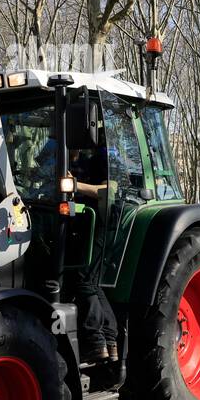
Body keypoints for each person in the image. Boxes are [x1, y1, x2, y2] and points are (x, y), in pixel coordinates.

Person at [66, 146, 119, 365]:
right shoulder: (63, 154)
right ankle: (108, 341)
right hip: (77, 221)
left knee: (85, 279)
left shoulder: (105, 153)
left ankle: (97, 341)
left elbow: (109, 190)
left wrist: (75, 185)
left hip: (100, 221)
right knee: (91, 282)